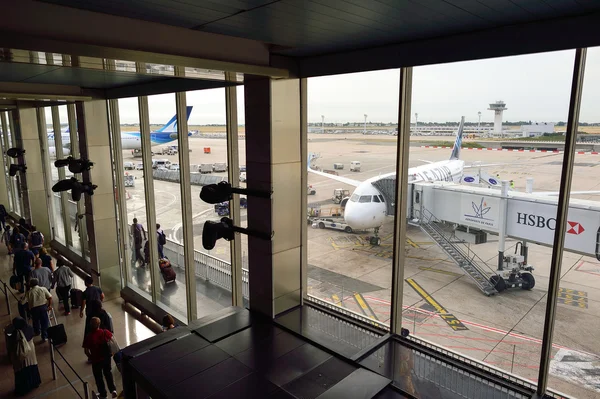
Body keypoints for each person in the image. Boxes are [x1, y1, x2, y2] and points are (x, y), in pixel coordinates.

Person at [83, 317, 117, 399]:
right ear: (99, 324)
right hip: (106, 358)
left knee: (99, 378)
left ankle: (103, 395)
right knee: (108, 373)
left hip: (96, 360)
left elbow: (86, 351)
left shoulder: (89, 337)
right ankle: (113, 390)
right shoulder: (105, 332)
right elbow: (113, 341)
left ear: (90, 325)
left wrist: (91, 357)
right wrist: (112, 352)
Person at [7, 316, 41, 396]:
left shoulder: (15, 333)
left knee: (22, 372)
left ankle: (23, 390)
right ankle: (35, 383)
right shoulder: (29, 328)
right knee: (32, 367)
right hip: (31, 351)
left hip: (21, 354)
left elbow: (10, 342)